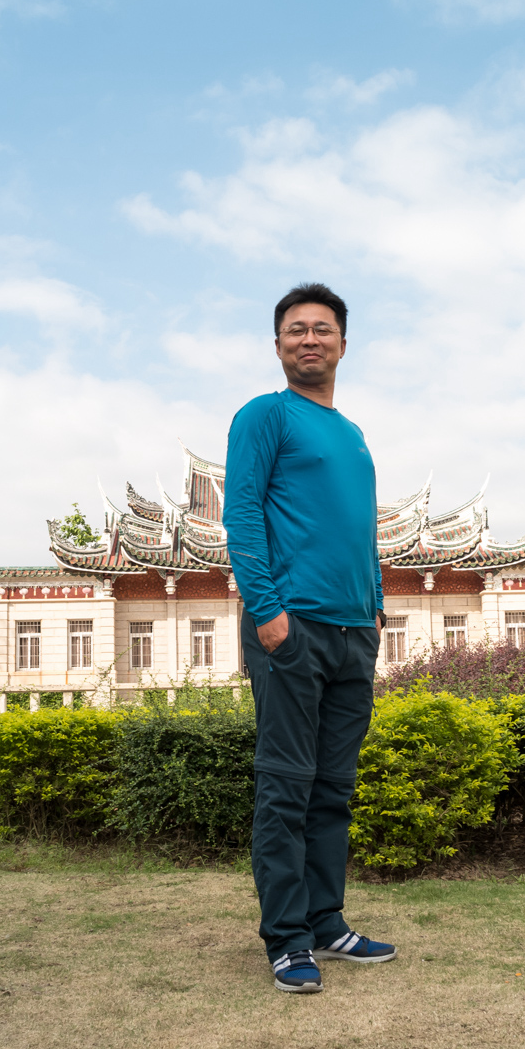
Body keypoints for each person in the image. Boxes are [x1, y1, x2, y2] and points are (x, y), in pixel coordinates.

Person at [226, 282, 395, 995]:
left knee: (333, 789)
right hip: (290, 627)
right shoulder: (265, 415)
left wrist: (377, 605)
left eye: (322, 329)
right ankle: (288, 939)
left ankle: (326, 921)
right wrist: (267, 612)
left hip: (354, 633)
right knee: (287, 786)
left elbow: (360, 529)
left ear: (343, 345)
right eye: (296, 330)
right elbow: (241, 513)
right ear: (277, 346)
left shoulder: (352, 434)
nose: (309, 339)